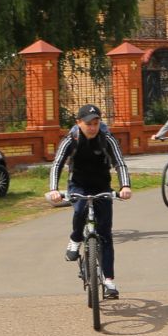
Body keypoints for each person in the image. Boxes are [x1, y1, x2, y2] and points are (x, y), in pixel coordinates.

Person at [48, 104, 132, 300]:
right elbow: (57, 163)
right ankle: (76, 238)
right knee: (79, 211)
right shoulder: (72, 139)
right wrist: (54, 190)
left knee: (105, 234)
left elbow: (119, 162)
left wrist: (125, 186)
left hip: (102, 186)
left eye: (96, 123)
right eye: (88, 124)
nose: (92, 127)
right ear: (79, 123)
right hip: (78, 185)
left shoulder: (107, 138)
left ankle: (109, 280)